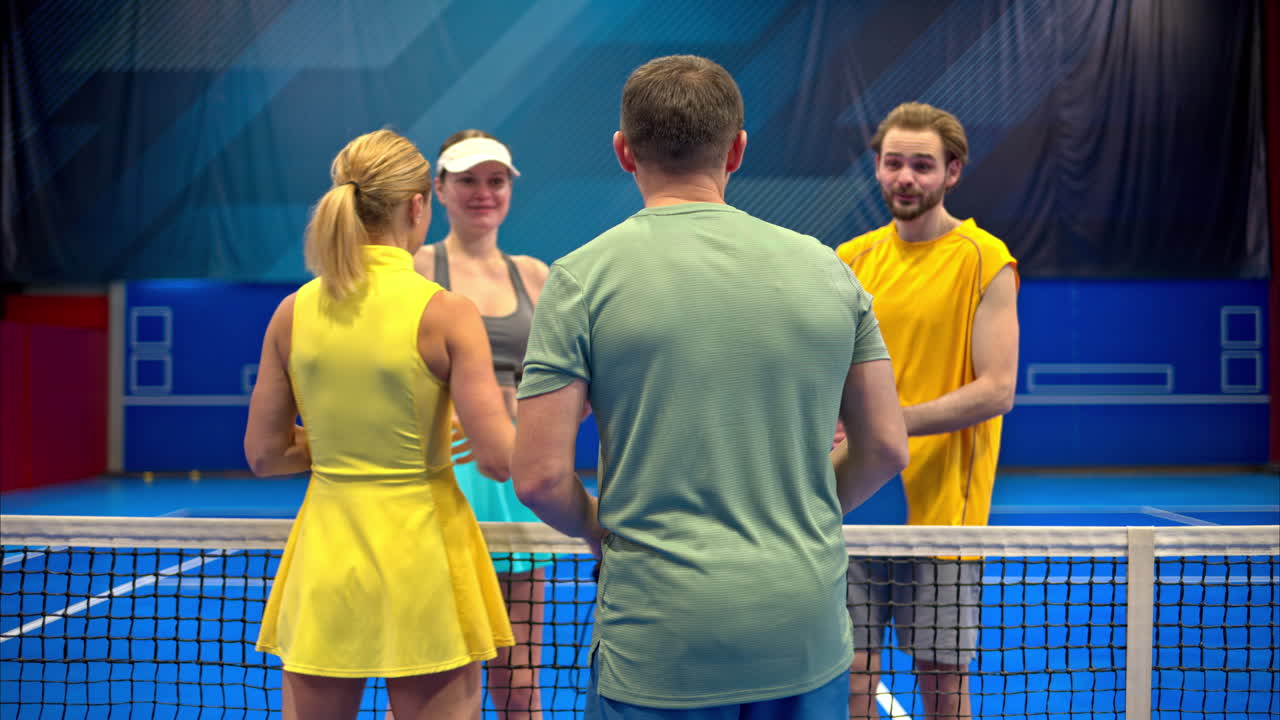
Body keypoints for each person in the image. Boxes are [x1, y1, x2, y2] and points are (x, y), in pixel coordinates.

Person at [510, 55, 909, 719]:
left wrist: (598, 532)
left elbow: (539, 478)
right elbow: (887, 448)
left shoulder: (581, 279)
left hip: (658, 643)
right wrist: (799, 510)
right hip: (804, 631)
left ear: (623, 152)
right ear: (738, 149)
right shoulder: (830, 271)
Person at [245, 128, 516, 720]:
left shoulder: (292, 311)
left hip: (326, 555)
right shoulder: (447, 313)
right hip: (426, 558)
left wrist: (340, 446)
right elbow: (499, 457)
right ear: (419, 205)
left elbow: (264, 455)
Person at [835, 102, 1020, 720]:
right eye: (893, 163)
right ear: (878, 168)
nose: (905, 178)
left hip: (943, 520)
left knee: (942, 685)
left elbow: (996, 390)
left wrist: (886, 423)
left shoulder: (984, 259)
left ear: (953, 172)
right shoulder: (850, 261)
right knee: (852, 677)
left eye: (921, 165)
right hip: (852, 504)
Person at [408, 130, 551, 720]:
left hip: (515, 493)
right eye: (466, 180)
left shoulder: (535, 276)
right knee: (433, 687)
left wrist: (519, 416)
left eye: (495, 181)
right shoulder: (416, 268)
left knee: (518, 687)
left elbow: (571, 386)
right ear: (438, 190)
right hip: (437, 491)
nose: (482, 193)